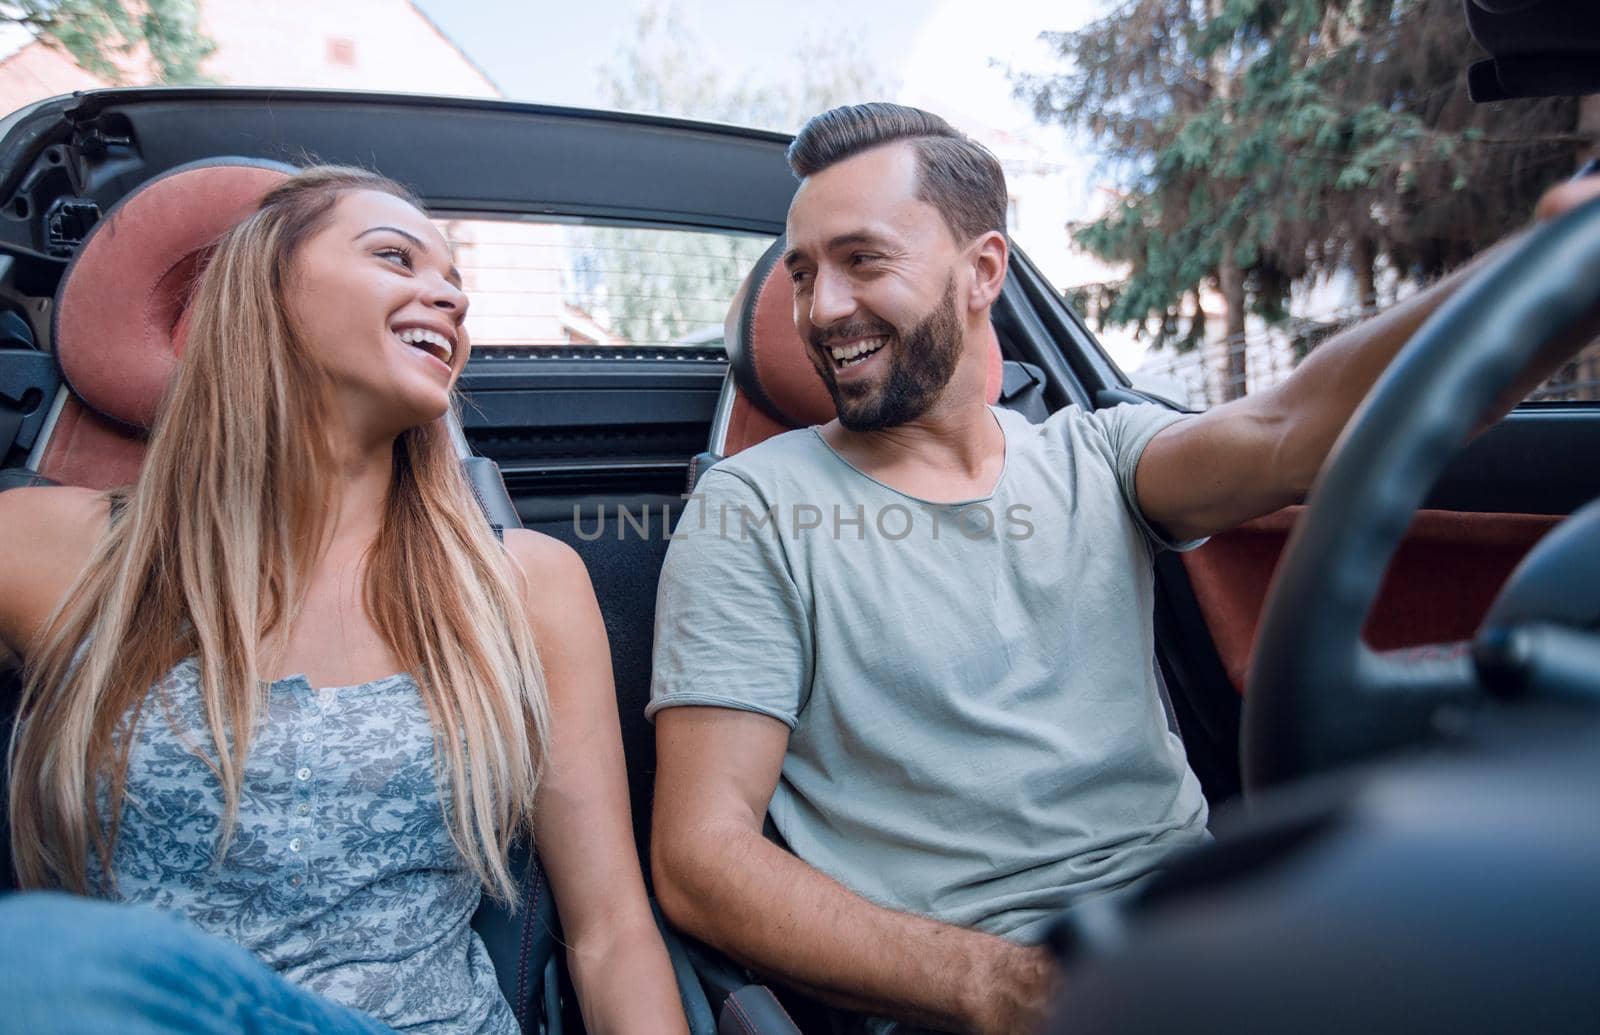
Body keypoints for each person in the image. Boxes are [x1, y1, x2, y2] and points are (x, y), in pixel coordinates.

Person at [646, 103, 1600, 1034]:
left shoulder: (1097, 454)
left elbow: (1298, 423)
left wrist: (1545, 274)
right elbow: (701, 856)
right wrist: (1003, 985)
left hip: (1207, 927)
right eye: (806, 272)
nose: (821, 307)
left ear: (982, 271)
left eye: (863, 261)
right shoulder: (754, 508)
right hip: (974, 984)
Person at [0, 167, 688, 1034]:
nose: (446, 296)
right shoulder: (51, 548)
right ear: (265, 290)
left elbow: (612, 933)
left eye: (456, 285)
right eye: (395, 257)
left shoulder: (524, 583)